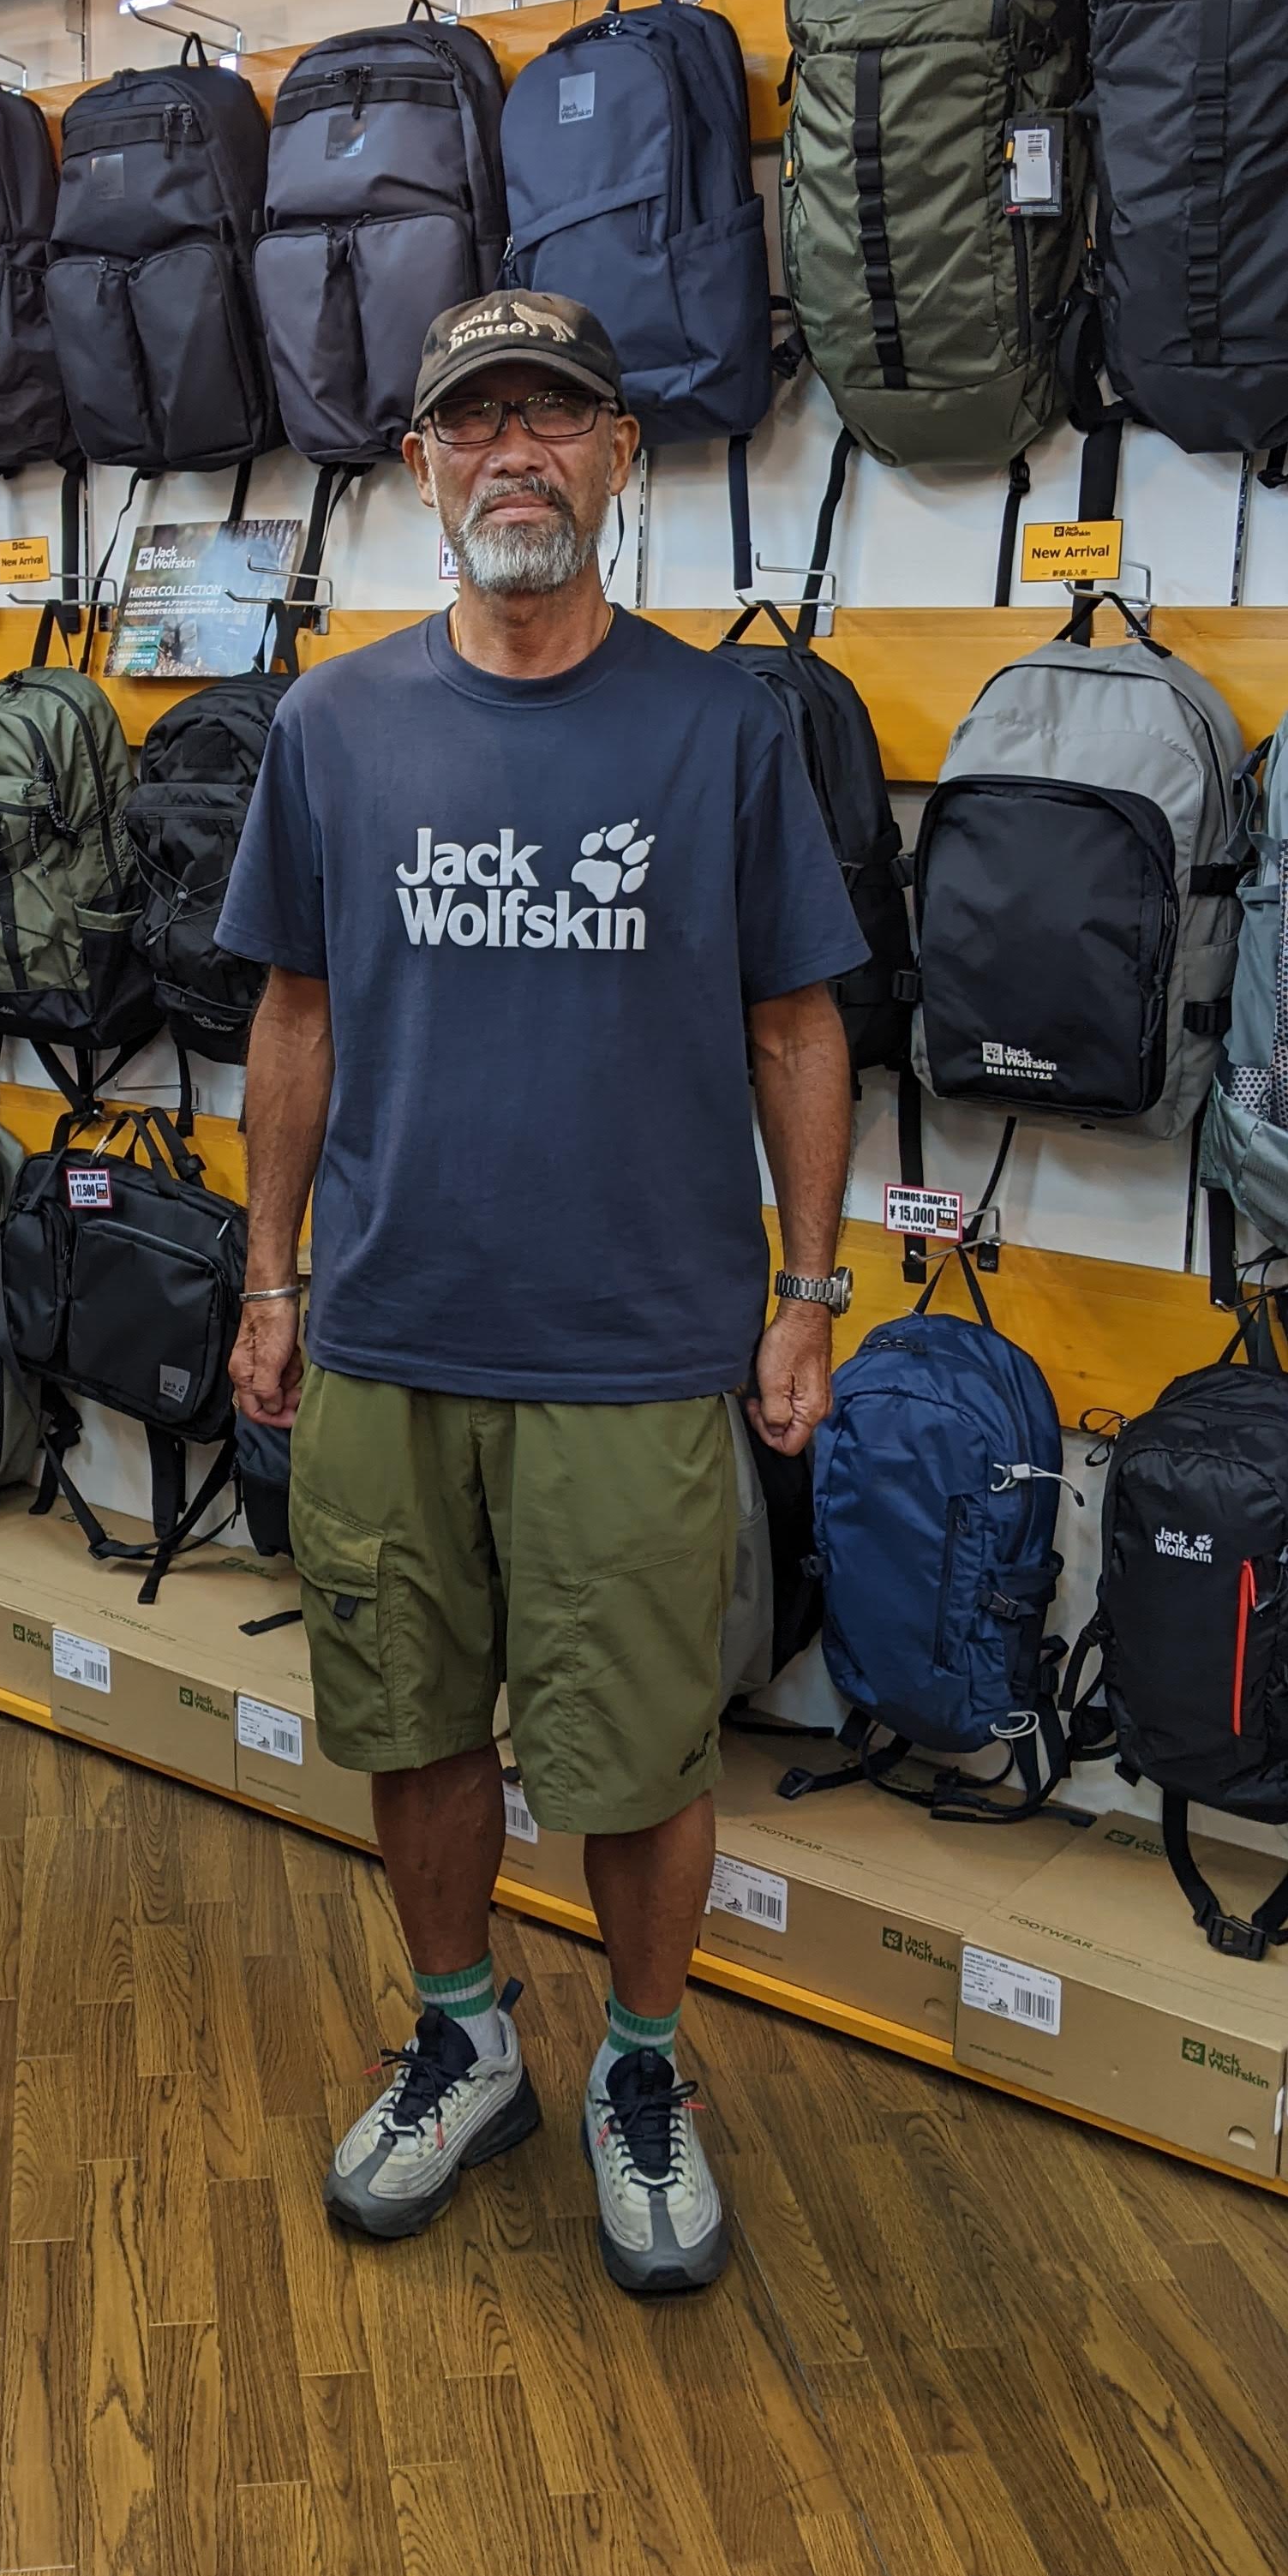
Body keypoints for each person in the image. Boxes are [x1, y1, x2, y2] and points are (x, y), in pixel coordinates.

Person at [217, 291, 862, 2297]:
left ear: (618, 461)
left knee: (643, 1751)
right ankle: (465, 2036)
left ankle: (645, 2069)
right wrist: (269, 1274)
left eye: (553, 419)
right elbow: (295, 1019)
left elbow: (797, 1029)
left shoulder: (720, 724)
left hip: (636, 1346)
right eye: (472, 421)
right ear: (419, 468)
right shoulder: (332, 722)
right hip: (393, 1331)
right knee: (413, 1723)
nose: (514, 452)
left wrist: (810, 1292)